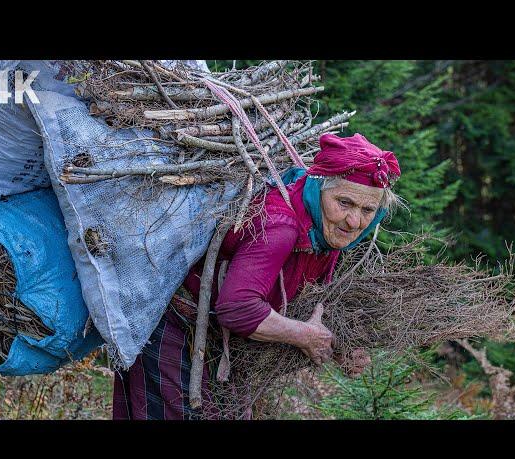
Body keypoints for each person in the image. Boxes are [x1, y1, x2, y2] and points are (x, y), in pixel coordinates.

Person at [112, 133, 402, 420]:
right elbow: (237, 308)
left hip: (229, 347)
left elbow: (309, 301)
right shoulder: (281, 224)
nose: (354, 222)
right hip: (180, 331)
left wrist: (339, 346)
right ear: (320, 188)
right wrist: (305, 335)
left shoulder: (328, 231)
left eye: (368, 210)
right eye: (345, 203)